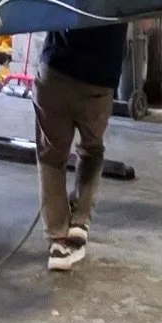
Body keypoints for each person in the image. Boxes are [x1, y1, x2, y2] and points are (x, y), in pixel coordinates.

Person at [33, 22, 129, 272]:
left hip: (56, 69)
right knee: (92, 149)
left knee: (51, 155)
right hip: (99, 76)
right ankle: (80, 223)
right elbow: (148, 21)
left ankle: (57, 238)